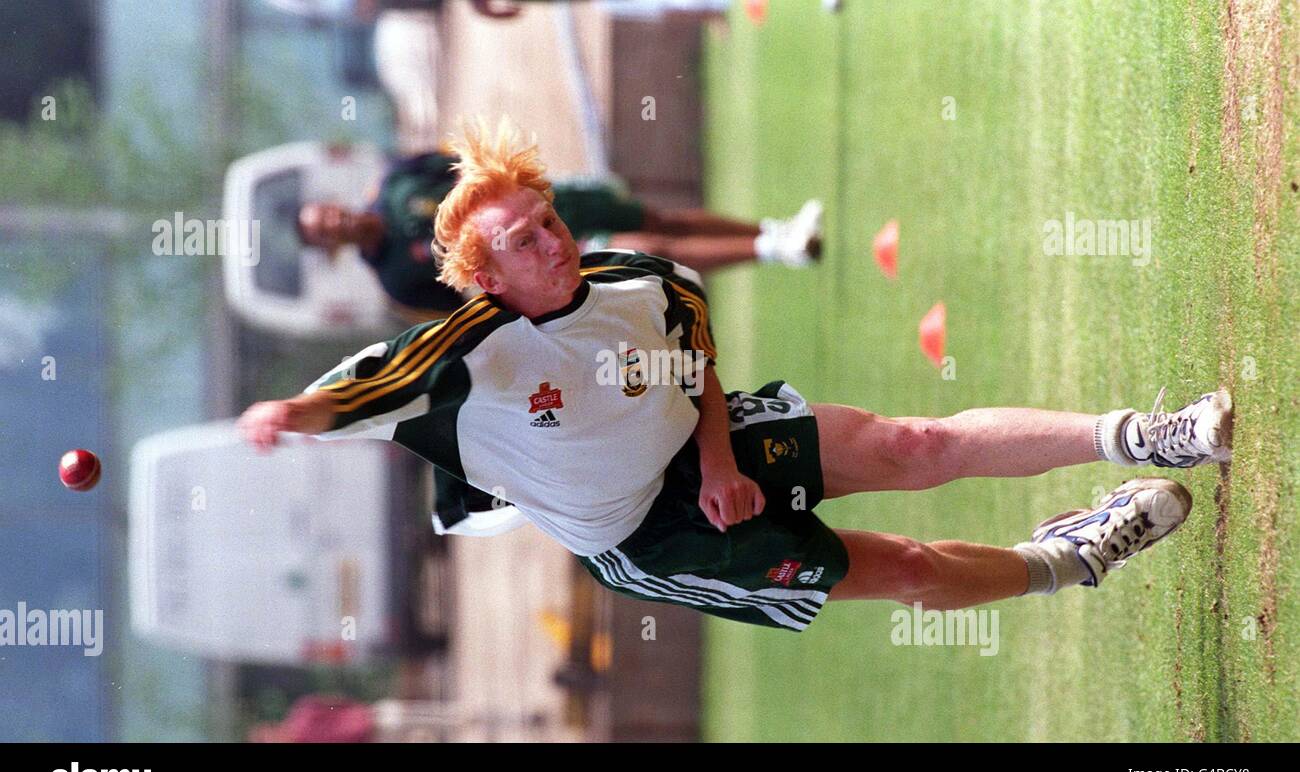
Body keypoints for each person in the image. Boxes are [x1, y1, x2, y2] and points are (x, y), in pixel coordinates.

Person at [240, 121, 1234, 632]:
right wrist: (287, 409)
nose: (550, 239)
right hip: (650, 536)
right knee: (906, 570)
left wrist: (717, 454)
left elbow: (693, 357)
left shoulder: (633, 280)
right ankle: (1078, 557)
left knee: (908, 443)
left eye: (546, 217)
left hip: (697, 450)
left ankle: (1148, 434)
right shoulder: (461, 357)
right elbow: (358, 392)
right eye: (522, 239)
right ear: (482, 275)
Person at [297, 151, 822, 323]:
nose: (334, 222)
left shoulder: (395, 182)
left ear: (333, 204)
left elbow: (465, 160)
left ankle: (776, 232)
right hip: (538, 262)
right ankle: (775, 250)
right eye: (323, 232)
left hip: (546, 208)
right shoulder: (395, 280)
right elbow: (472, 306)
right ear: (329, 249)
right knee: (652, 253)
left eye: (325, 213)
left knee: (660, 220)